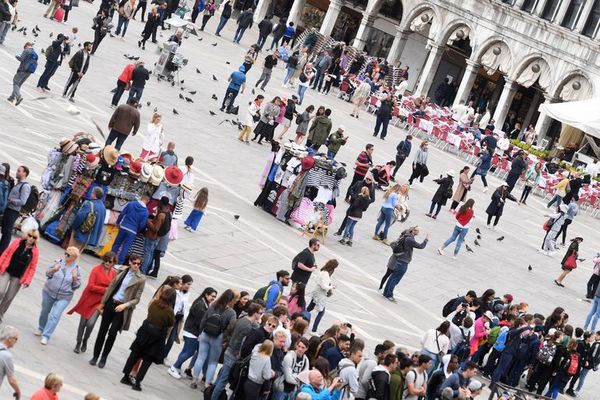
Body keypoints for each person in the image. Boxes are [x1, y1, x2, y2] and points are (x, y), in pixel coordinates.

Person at [90, 255, 146, 369]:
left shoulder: (141, 279)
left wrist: (125, 305)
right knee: (102, 331)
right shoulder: (121, 270)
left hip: (122, 308)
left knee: (112, 333)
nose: (136, 265)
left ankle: (104, 357)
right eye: (134, 263)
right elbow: (111, 287)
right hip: (111, 303)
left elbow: (137, 299)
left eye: (138, 264)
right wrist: (102, 303)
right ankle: (95, 356)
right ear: (130, 262)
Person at [121, 287, 175, 391]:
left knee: (134, 354)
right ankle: (137, 383)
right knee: (147, 360)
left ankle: (125, 376)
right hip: (157, 335)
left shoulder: (154, 303)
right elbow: (171, 323)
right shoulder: (169, 311)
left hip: (145, 331)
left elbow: (149, 312)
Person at [210, 301, 264, 400]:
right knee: (223, 380)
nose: (261, 315)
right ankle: (213, 397)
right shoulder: (247, 326)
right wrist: (238, 354)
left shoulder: (243, 319)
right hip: (232, 354)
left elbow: (256, 327)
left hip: (229, 351)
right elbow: (239, 341)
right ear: (255, 313)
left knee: (222, 376)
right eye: (260, 313)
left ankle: (211, 392)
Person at [68, 252, 117, 354]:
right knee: (82, 323)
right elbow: (91, 286)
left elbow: (113, 288)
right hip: (89, 298)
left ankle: (85, 340)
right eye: (106, 260)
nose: (107, 263)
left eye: (110, 261)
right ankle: (78, 342)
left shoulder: (113, 273)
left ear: (113, 263)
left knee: (90, 323)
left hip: (100, 301)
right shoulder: (96, 269)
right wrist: (105, 289)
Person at [191, 288, 239, 390]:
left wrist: (201, 333)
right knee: (213, 362)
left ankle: (194, 380)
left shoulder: (213, 305)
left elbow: (204, 319)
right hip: (218, 338)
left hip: (205, 334)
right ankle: (207, 384)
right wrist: (225, 339)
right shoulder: (231, 312)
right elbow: (231, 327)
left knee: (200, 357)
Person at [168, 287, 217, 379]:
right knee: (189, 352)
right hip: (192, 332)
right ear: (206, 294)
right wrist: (200, 333)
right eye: (212, 296)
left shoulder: (204, 303)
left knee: (185, 351)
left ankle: (177, 367)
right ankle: (174, 367)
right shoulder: (200, 305)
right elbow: (200, 322)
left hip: (190, 331)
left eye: (215, 297)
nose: (213, 298)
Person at [37, 247, 81, 345]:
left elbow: (77, 286)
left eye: (68, 255)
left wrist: (74, 278)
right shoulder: (58, 262)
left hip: (64, 296)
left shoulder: (77, 269)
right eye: (65, 253)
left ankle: (46, 335)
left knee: (55, 315)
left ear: (74, 257)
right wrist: (53, 270)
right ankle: (41, 328)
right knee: (44, 312)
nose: (66, 256)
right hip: (49, 291)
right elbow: (47, 274)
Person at [0, 229, 39, 321]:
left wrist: (28, 280)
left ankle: (0, 314)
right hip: (7, 271)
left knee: (9, 297)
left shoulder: (35, 251)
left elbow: (33, 267)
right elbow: (6, 253)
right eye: (29, 235)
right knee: (0, 290)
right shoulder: (17, 242)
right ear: (27, 235)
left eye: (34, 237)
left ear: (36, 239)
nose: (31, 238)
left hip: (18, 277)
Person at [382, 226, 429, 302]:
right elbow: (421, 246)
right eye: (417, 230)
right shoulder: (410, 239)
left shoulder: (407, 236)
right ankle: (389, 294)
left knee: (393, 277)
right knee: (395, 279)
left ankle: (386, 292)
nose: (418, 232)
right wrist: (426, 239)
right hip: (403, 261)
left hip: (400, 260)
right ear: (413, 231)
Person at [0, 165, 30, 255]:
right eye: (17, 170)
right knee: (5, 231)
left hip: (13, 211)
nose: (17, 172)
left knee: (7, 232)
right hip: (9, 209)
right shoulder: (19, 184)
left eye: (19, 171)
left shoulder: (25, 186)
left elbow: (23, 201)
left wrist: (10, 200)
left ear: (25, 173)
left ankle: (1, 252)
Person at [112, 194, 149, 264]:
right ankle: (120, 263)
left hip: (124, 226)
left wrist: (118, 222)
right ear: (147, 201)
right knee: (126, 247)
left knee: (117, 244)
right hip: (133, 230)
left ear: (141, 197)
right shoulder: (146, 212)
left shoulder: (131, 204)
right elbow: (142, 225)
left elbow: (122, 214)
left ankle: (110, 259)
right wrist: (137, 230)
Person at [141, 197, 170, 275]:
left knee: (147, 253)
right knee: (150, 253)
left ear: (161, 202)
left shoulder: (161, 215)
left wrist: (147, 221)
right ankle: (146, 269)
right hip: (157, 237)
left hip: (152, 236)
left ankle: (143, 270)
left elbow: (155, 228)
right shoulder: (167, 213)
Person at [307, 260, 338, 332]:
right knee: (321, 313)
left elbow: (316, 280)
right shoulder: (326, 274)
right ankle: (314, 330)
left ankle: (300, 317)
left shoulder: (322, 271)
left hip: (316, 293)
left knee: (309, 308)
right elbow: (324, 286)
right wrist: (332, 287)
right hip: (320, 295)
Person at [7, 42, 37, 106]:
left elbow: (21, 59)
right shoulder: (35, 54)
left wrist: (17, 56)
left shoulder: (26, 50)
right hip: (29, 71)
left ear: (27, 46)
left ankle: (18, 97)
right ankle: (12, 97)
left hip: (22, 70)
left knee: (15, 82)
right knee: (19, 84)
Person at [0, 325, 20, 398]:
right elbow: (12, 380)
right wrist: (18, 392)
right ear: (9, 339)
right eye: (16, 339)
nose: (16, 342)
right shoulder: (7, 356)